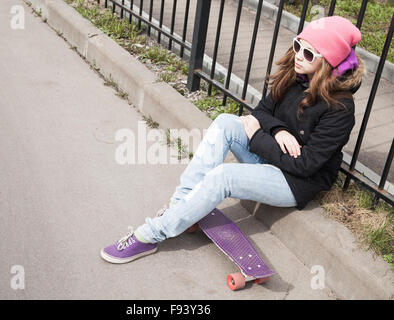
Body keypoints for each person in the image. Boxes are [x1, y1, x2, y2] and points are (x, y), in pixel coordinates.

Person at [100, 16, 366, 264]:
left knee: (223, 176)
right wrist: (277, 132)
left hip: (295, 182)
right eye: (298, 45)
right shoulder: (295, 75)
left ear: (330, 61)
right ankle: (179, 207)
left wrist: (258, 136)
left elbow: (305, 165)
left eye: (309, 53)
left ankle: (152, 234)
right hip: (272, 154)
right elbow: (261, 112)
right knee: (227, 122)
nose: (298, 56)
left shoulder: (340, 109)